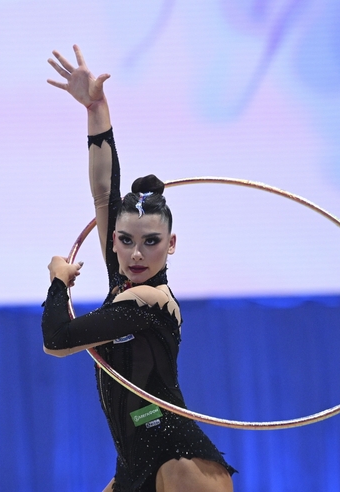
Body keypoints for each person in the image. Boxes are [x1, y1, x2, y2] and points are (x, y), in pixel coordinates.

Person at [41, 45, 236, 492]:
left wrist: (57, 282)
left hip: (176, 458)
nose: (135, 255)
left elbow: (57, 339)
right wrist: (96, 109)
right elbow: (105, 190)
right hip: (135, 462)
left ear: (171, 246)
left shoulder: (149, 299)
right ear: (112, 240)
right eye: (125, 241)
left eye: (151, 243)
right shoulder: (124, 278)